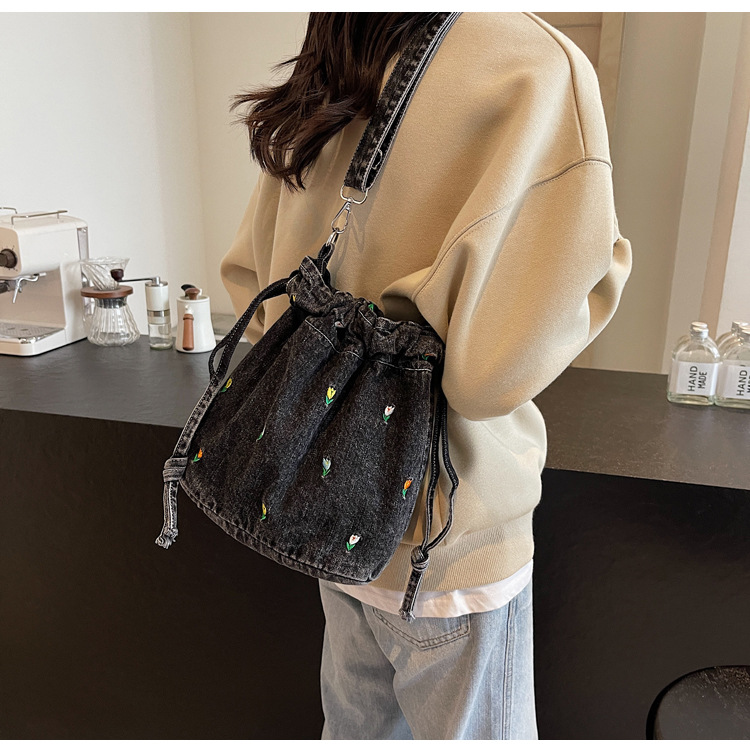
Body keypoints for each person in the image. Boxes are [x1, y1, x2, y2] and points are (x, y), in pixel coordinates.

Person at [220, 12, 632, 741]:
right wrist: (605, 267)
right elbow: (488, 377)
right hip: (447, 540)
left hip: (335, 519)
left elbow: (253, 288)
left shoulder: (347, 43)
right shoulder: (537, 66)